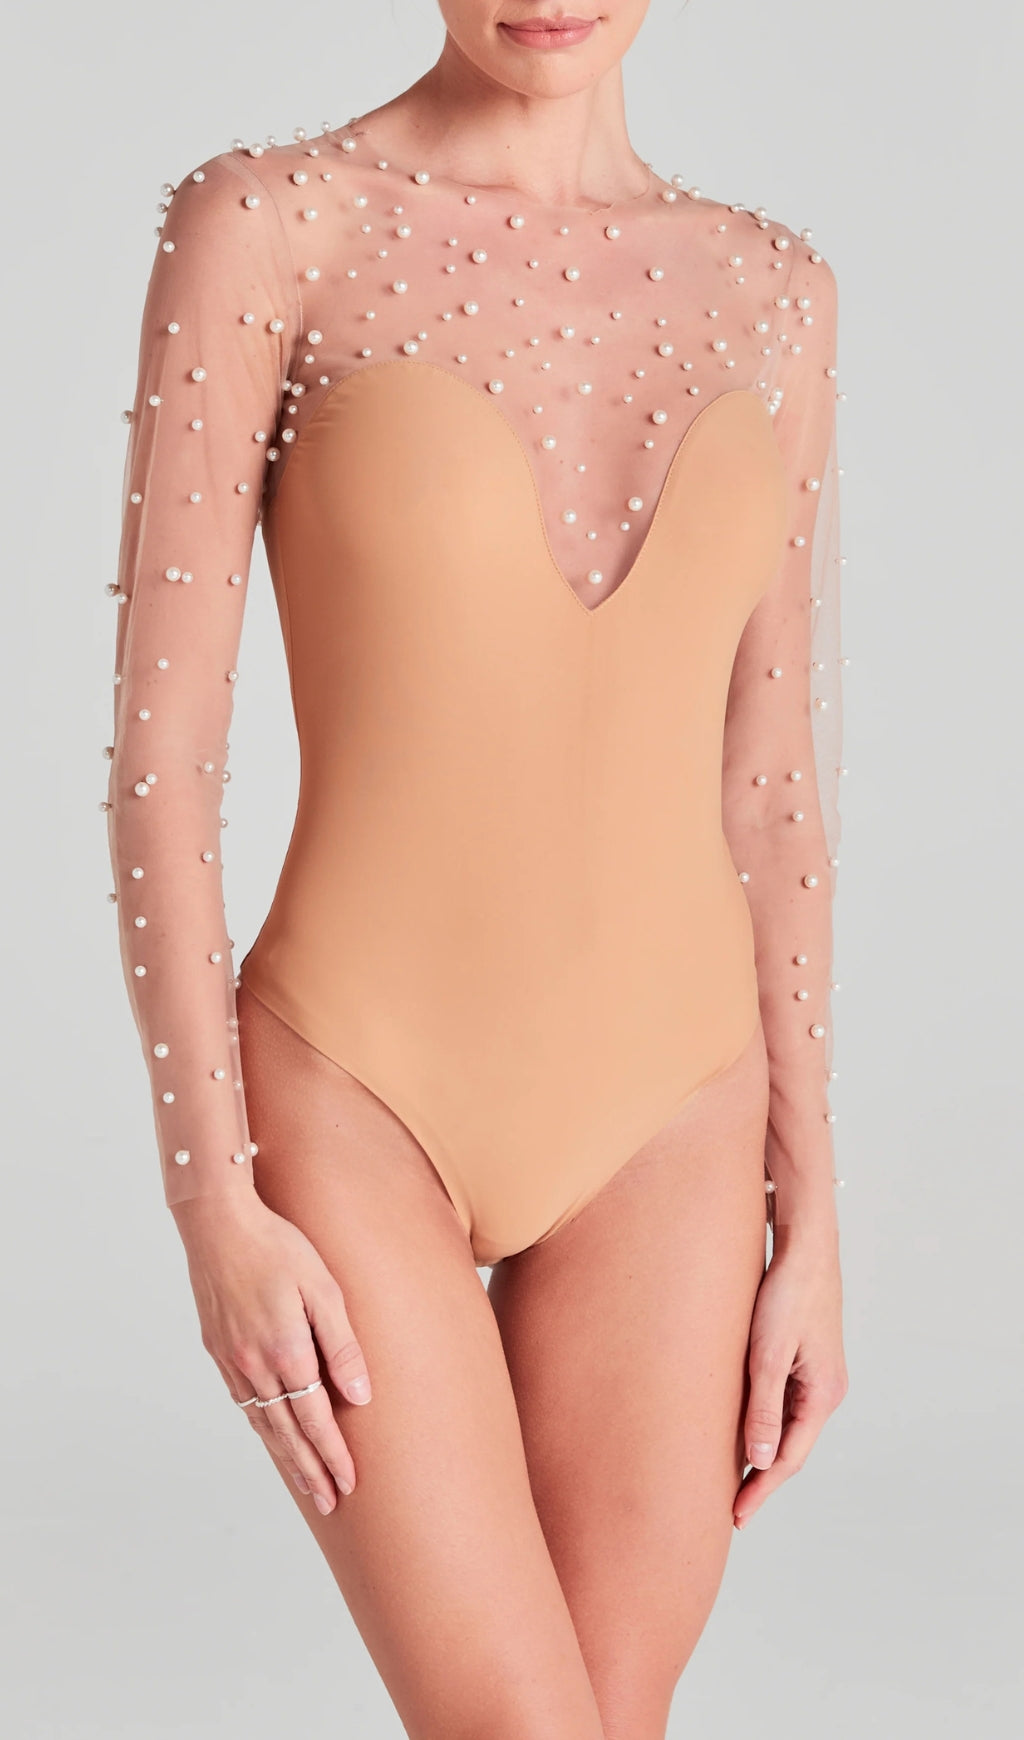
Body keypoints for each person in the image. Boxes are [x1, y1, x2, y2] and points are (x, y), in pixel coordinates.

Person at [103, 4, 849, 1734]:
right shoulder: (270, 225)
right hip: (358, 1088)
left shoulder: (777, 293)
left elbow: (770, 787)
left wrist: (811, 1212)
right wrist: (212, 1200)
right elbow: (162, 765)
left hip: (677, 1115)